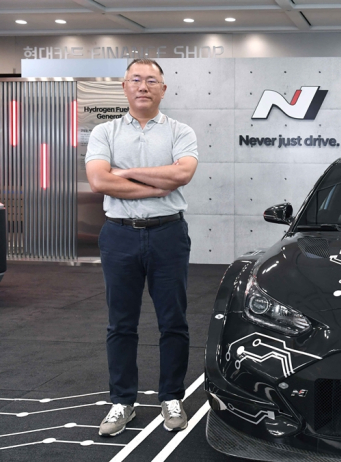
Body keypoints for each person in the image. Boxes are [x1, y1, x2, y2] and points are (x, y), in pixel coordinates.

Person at [85, 58, 198, 437]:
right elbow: (100, 181)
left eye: (152, 80)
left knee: (174, 322)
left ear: (163, 89)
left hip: (168, 234)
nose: (143, 86)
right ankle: (122, 402)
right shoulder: (105, 132)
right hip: (119, 235)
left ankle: (171, 397)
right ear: (125, 87)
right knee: (121, 323)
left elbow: (182, 173)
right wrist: (156, 184)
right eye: (136, 79)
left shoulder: (181, 131)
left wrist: (126, 173)